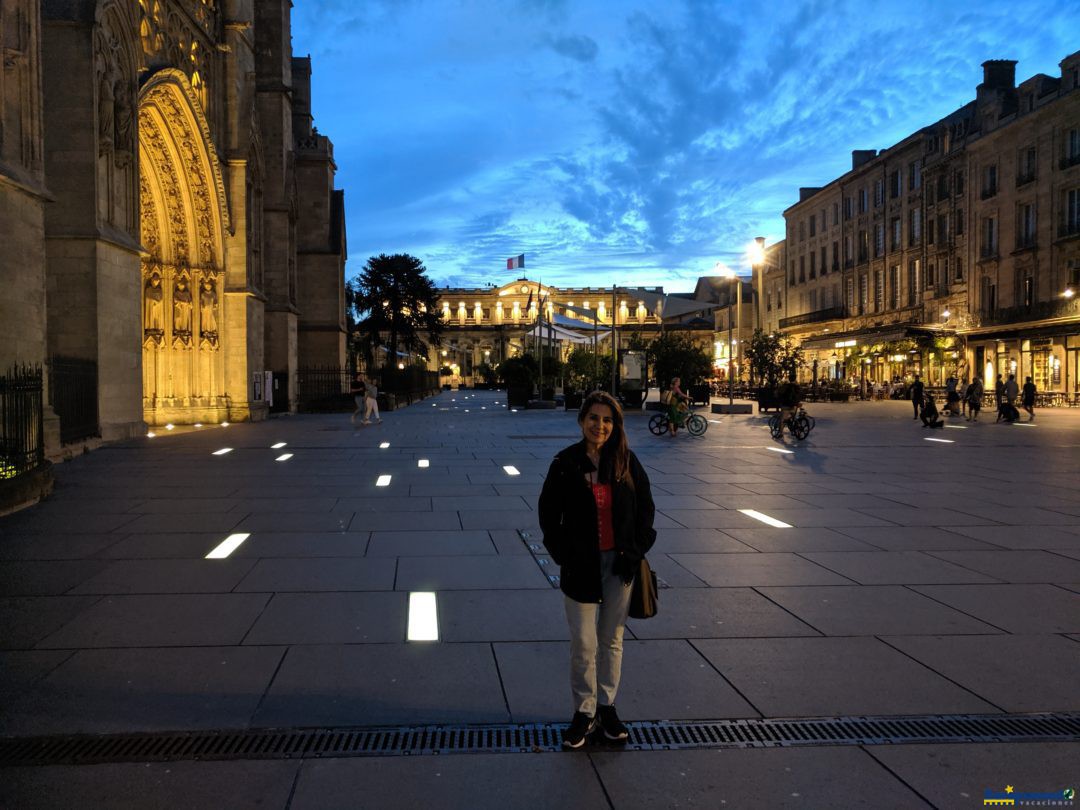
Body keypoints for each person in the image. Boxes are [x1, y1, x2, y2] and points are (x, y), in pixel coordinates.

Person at [538, 391, 656, 750]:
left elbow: (646, 510)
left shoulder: (626, 462)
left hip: (619, 565)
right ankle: (584, 711)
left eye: (607, 420)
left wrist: (634, 552)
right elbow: (548, 513)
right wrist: (563, 554)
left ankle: (607, 707)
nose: (600, 425)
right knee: (584, 643)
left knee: (612, 640)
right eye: (593, 418)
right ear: (581, 421)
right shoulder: (565, 463)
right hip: (581, 566)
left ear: (615, 425)